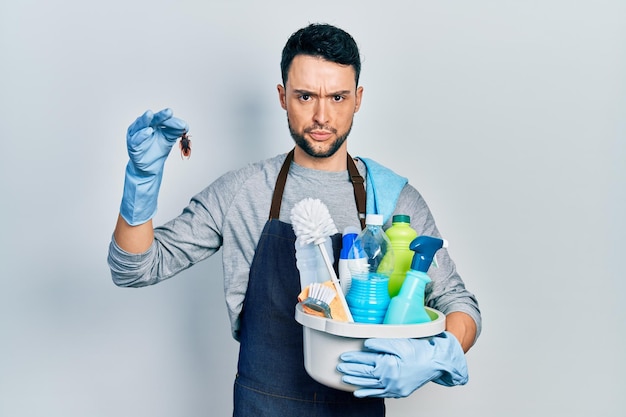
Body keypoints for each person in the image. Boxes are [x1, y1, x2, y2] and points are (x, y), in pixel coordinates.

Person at [108, 23, 481, 416]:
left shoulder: (390, 198)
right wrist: (140, 184)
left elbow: (459, 304)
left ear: (358, 99)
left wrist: (436, 356)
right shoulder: (245, 191)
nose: (322, 116)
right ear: (283, 97)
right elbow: (135, 268)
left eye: (337, 97)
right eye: (306, 96)